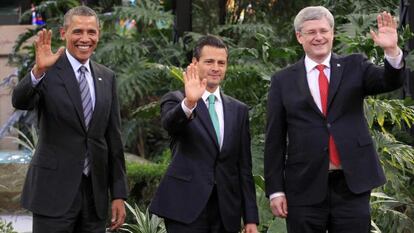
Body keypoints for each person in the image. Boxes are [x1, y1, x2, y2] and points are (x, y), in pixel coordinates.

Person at [264, 6, 404, 233]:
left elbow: (389, 82)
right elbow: (274, 139)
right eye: (310, 32)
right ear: (300, 37)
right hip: (304, 185)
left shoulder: (354, 66)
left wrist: (392, 51)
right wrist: (276, 191)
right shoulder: (282, 81)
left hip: (351, 184)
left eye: (323, 30)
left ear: (332, 33)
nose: (318, 37)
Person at [12, 6, 128, 233]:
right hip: (52, 194)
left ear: (99, 34)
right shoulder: (47, 69)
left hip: (95, 198)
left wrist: (119, 194)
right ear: (64, 34)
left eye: (91, 32)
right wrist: (37, 71)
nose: (85, 39)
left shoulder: (107, 77)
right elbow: (20, 101)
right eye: (78, 32)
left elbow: (113, 139)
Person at [149, 35, 259, 233]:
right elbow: (170, 125)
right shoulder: (176, 99)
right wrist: (190, 103)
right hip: (186, 207)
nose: (216, 67)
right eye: (209, 61)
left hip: (226, 211)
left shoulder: (239, 110)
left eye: (221, 63)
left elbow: (244, 167)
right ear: (194, 63)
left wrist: (251, 218)